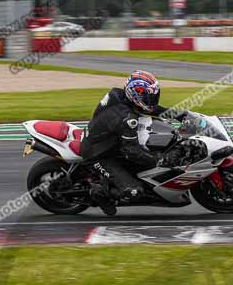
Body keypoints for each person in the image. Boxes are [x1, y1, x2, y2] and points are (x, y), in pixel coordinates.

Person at [80, 70, 194, 215]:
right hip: (97, 154)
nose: (153, 100)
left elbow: (149, 108)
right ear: (136, 96)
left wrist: (177, 114)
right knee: (134, 191)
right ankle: (99, 193)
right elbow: (132, 151)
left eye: (154, 96)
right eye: (149, 97)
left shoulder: (118, 94)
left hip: (106, 139)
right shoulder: (127, 119)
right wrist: (160, 160)